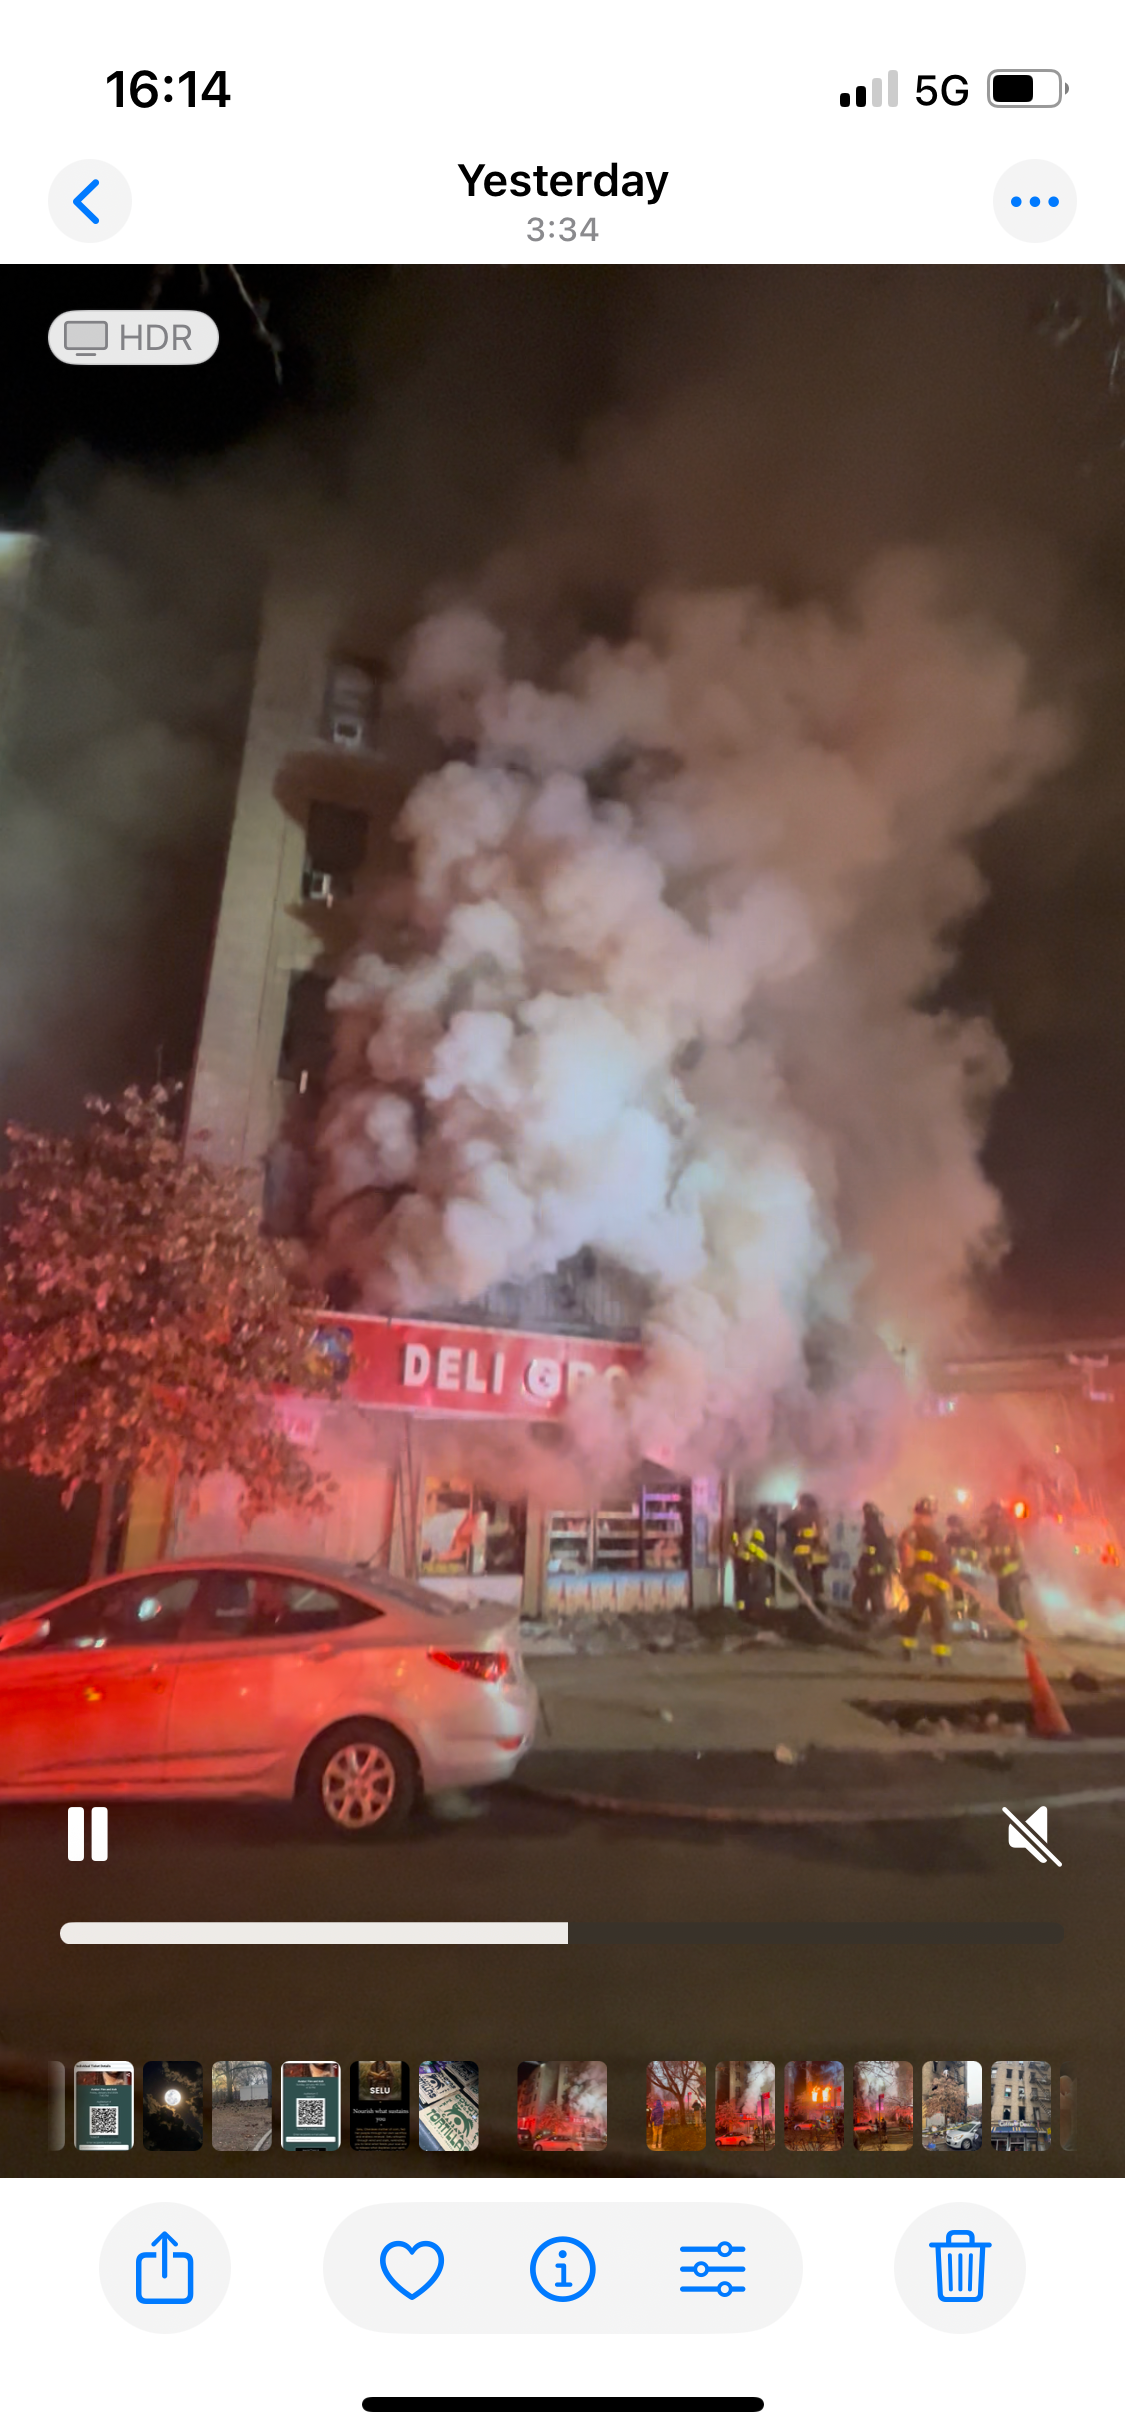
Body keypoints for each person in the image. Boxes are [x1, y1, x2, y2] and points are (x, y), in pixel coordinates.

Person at [897, 1496, 957, 1664]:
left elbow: (943, 1555)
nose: (928, 1518)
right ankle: (909, 1652)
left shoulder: (933, 1534)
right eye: (925, 1515)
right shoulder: (912, 1534)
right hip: (922, 1584)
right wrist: (910, 1580)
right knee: (919, 1617)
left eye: (929, 1515)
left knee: (934, 1619)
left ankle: (940, 1657)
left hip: (934, 1583)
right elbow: (908, 1559)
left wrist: (951, 1570)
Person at [982, 1503, 1028, 1630]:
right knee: (1004, 1602)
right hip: (1003, 1571)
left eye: (989, 1517)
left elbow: (1010, 1551)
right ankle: (1014, 1627)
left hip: (1010, 1571)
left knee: (1010, 1601)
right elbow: (988, 1546)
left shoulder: (1005, 1529)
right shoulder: (994, 1531)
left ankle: (1019, 1630)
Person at [785, 1492, 830, 1607]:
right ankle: (819, 1600)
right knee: (817, 1578)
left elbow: (785, 1525)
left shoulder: (799, 1517)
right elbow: (824, 1537)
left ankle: (804, 1602)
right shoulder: (821, 1517)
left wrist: (791, 1512)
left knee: (803, 1577)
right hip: (819, 1554)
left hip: (803, 1553)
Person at [854, 1502, 895, 1620]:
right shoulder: (877, 1528)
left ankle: (875, 1617)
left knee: (871, 1592)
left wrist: (868, 1566)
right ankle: (868, 1615)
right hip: (874, 1566)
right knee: (868, 1591)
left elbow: (874, 1550)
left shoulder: (871, 1529)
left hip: (873, 1567)